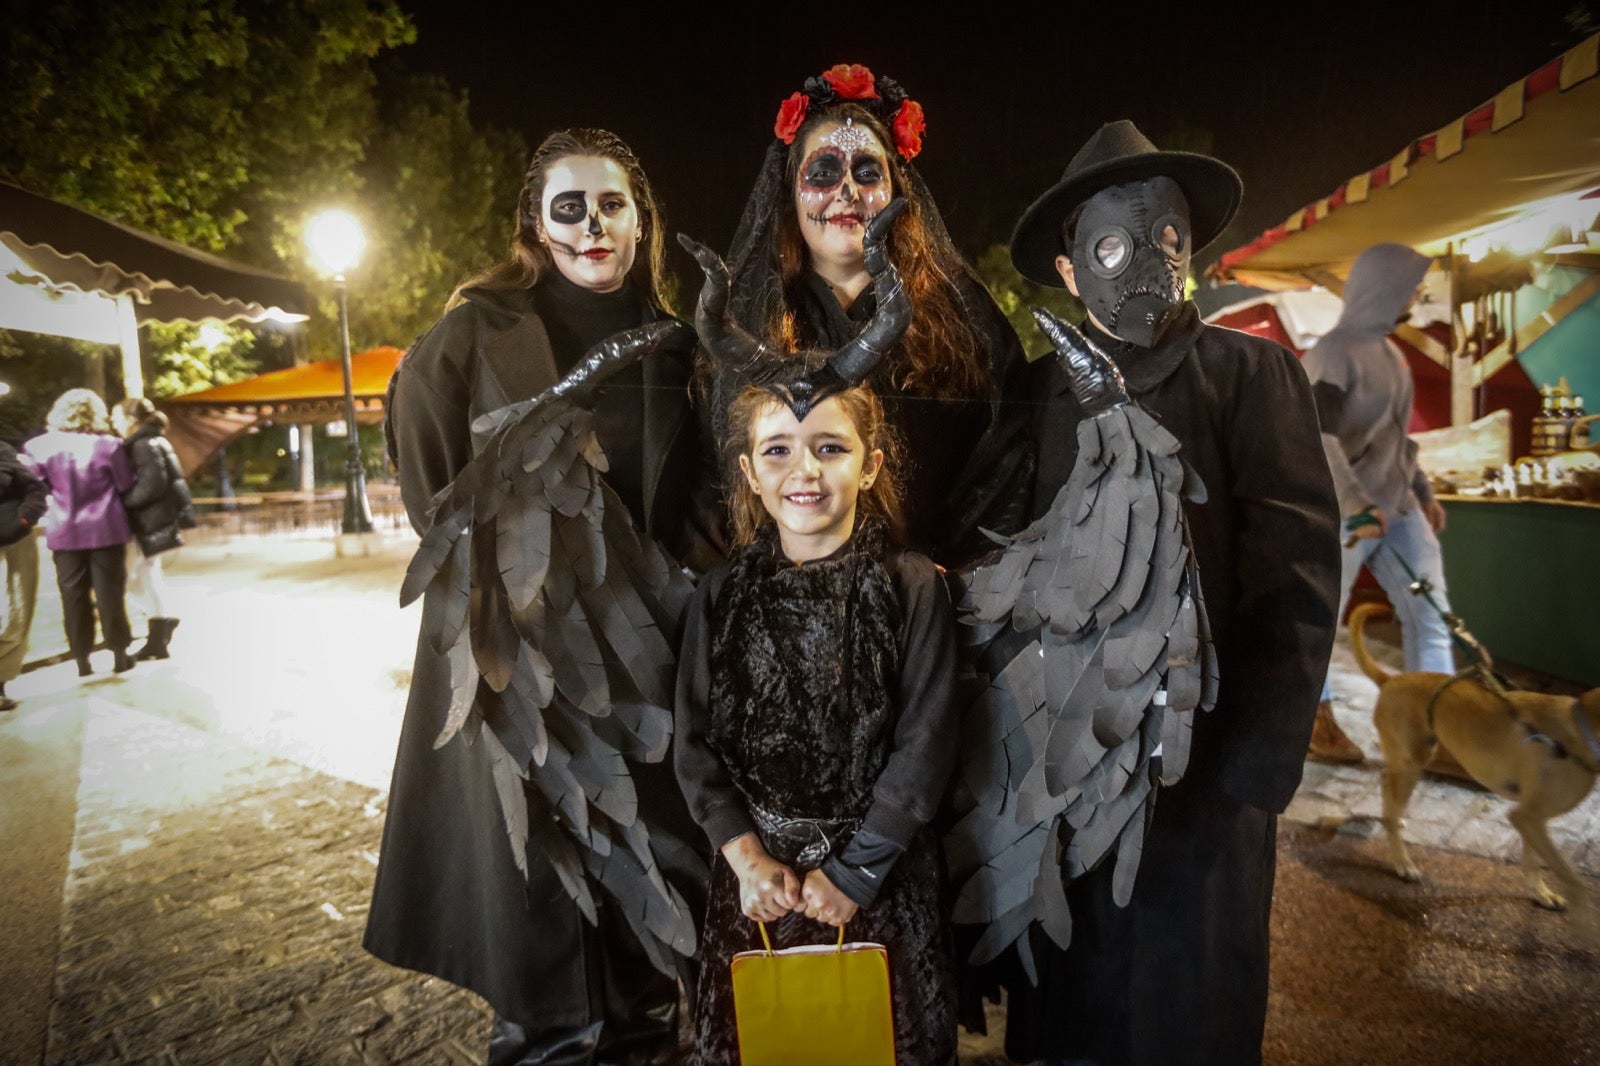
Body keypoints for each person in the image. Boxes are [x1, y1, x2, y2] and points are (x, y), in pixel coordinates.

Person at [364, 128, 713, 1066]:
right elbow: (434, 493)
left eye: (612, 205)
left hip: (645, 671)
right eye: (570, 206)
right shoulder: (470, 335)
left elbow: (702, 506)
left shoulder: (685, 349)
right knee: (542, 944)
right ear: (535, 223)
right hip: (514, 671)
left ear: (643, 223)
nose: (592, 224)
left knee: (646, 918)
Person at [1001, 120, 1341, 1065]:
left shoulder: (1252, 376)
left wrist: (1246, 779)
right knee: (1070, 1014)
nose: (1144, 263)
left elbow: (1298, 582)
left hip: (1202, 789)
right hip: (1062, 791)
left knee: (1187, 1018)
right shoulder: (1032, 399)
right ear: (1070, 272)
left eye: (1165, 239)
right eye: (1110, 245)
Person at [673, 379, 960, 1066]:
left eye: (830, 448)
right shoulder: (719, 594)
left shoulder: (913, 586)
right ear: (748, 472)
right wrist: (745, 858)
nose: (804, 470)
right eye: (778, 450)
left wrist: (857, 873)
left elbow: (927, 741)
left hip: (880, 886)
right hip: (754, 890)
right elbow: (692, 740)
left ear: (870, 464)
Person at [717, 63, 1029, 563]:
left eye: (867, 172)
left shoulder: (964, 319)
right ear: (789, 193)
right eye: (822, 173)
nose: (847, 192)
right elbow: (732, 479)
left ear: (896, 191)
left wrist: (948, 580)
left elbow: (1005, 460)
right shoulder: (748, 322)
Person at [1301, 242, 1452, 764]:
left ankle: (1439, 729)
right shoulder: (1333, 352)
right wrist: (1356, 504)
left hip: (1399, 509)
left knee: (1429, 613)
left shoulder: (1393, 357)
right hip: (1345, 515)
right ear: (1383, 286)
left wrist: (1422, 492)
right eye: (1408, 284)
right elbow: (1317, 436)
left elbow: (1397, 439)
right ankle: (1313, 724)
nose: (1414, 295)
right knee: (1322, 616)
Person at [23, 389, 137, 677]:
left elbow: (34, 487)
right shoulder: (109, 445)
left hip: (64, 530)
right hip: (106, 529)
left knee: (72, 595)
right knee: (110, 592)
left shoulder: (38, 447)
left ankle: (81, 659)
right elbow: (125, 484)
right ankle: (120, 652)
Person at [112, 397, 192, 661]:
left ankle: (162, 624)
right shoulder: (154, 439)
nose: (113, 422)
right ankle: (159, 633)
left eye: (116, 416)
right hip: (156, 519)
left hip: (148, 520)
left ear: (131, 419)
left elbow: (152, 484)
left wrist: (123, 502)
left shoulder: (143, 444)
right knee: (146, 576)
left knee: (131, 579)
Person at [0, 437, 48, 709]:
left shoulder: (2, 450)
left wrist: (25, 517)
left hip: (14, 539)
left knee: (16, 615)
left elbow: (35, 487)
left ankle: (0, 684)